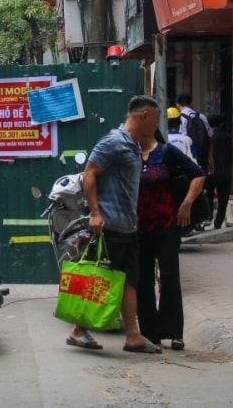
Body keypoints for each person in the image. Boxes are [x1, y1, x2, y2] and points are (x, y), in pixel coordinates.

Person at [65, 94, 164, 354]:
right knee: (101, 279)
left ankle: (133, 335)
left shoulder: (132, 145)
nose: (156, 125)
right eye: (155, 119)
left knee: (129, 281)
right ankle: (78, 330)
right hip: (110, 225)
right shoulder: (114, 142)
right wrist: (95, 213)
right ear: (143, 116)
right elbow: (89, 174)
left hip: (129, 227)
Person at [136, 125, 206, 350]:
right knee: (143, 280)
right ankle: (149, 333)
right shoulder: (130, 156)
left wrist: (186, 203)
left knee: (169, 277)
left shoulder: (166, 152)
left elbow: (198, 174)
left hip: (167, 225)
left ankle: (174, 332)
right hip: (139, 227)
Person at [205, 113, 233, 229]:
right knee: (223, 198)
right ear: (221, 124)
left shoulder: (209, 137)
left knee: (209, 195)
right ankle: (218, 222)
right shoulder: (227, 137)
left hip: (211, 171)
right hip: (225, 171)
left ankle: (208, 217)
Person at [176, 93, 213, 173]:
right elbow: (210, 138)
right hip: (202, 158)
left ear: (177, 105)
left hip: (187, 160)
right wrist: (211, 161)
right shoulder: (202, 117)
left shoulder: (179, 119)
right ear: (191, 103)